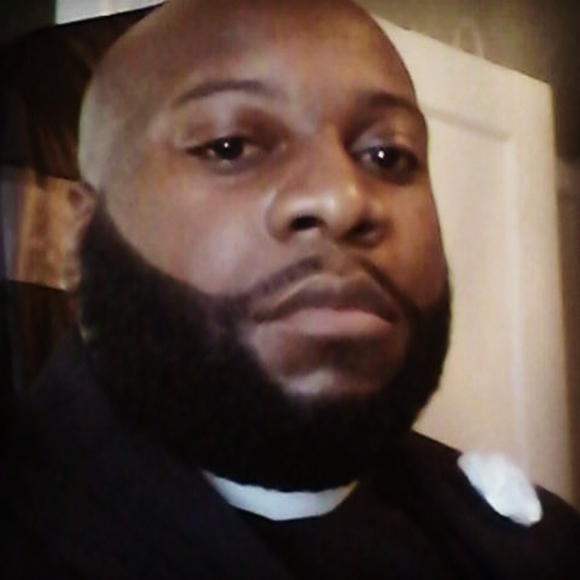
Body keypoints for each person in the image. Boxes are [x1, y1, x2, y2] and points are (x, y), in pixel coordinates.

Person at [1, 0, 579, 577]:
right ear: (79, 239)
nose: (342, 199)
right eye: (230, 146)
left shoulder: (543, 546)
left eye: (388, 155)